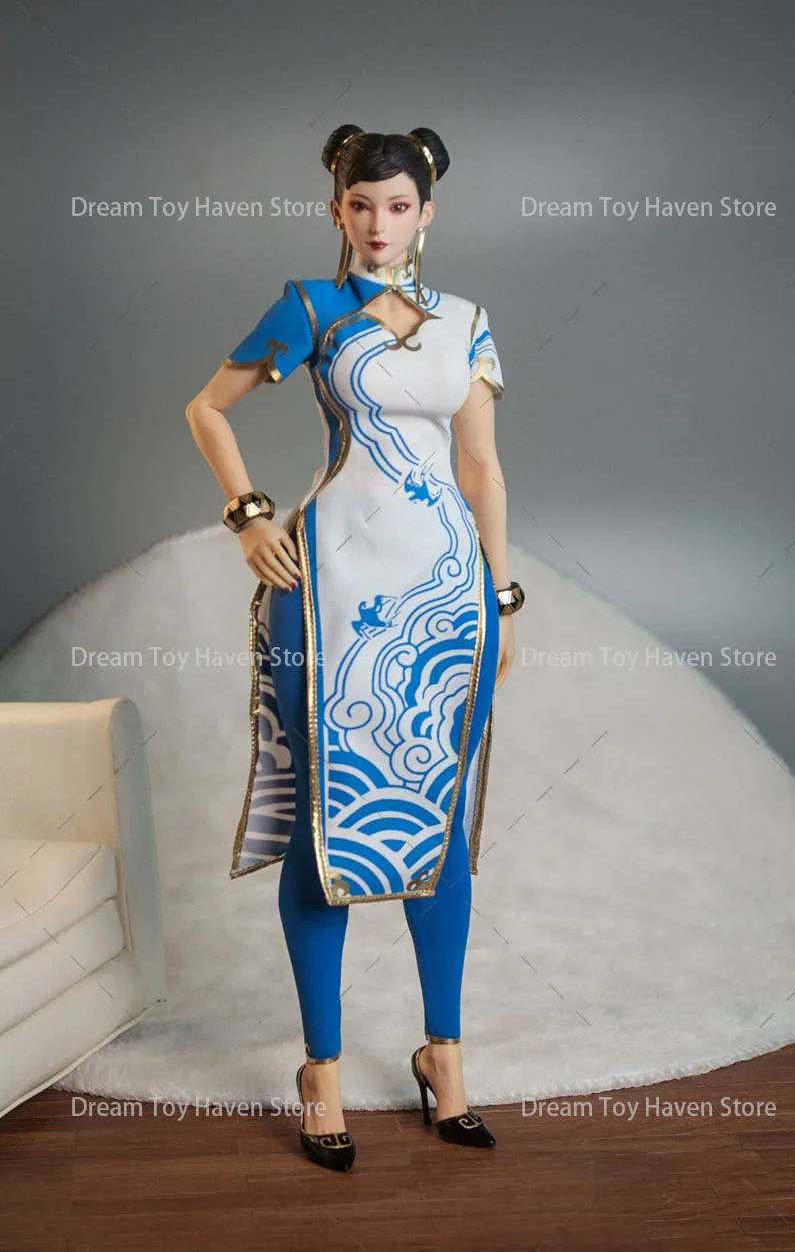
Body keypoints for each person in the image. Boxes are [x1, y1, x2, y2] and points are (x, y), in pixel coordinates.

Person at [186, 124, 525, 1172]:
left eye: (398, 205)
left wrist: (502, 595)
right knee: (321, 824)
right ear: (336, 209)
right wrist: (248, 516)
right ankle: (321, 1070)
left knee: (440, 823)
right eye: (361, 204)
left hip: (447, 596)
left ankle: (444, 1058)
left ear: (428, 212)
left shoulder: (467, 321)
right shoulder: (311, 308)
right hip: (326, 589)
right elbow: (206, 408)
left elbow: (480, 468)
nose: (380, 223)